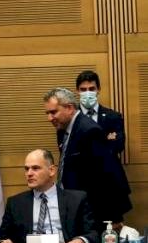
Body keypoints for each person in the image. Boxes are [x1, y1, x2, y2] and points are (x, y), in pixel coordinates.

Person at [43, 87, 132, 232]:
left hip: (95, 210)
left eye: (53, 112)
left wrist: (113, 217)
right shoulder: (64, 129)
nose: (49, 118)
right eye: (47, 113)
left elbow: (106, 175)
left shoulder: (89, 131)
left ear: (69, 108)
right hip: (77, 205)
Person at [0, 149, 99, 243]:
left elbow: (94, 234)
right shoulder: (15, 203)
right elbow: (0, 237)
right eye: (26, 169)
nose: (29, 173)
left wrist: (81, 240)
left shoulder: (76, 199)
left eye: (35, 168)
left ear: (52, 170)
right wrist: (3, 242)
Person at [75, 70, 126, 156]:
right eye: (83, 89)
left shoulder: (114, 116)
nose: (87, 93)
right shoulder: (70, 117)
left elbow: (118, 146)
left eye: (92, 89)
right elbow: (67, 149)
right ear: (77, 91)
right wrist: (105, 139)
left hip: (108, 164)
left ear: (98, 89)